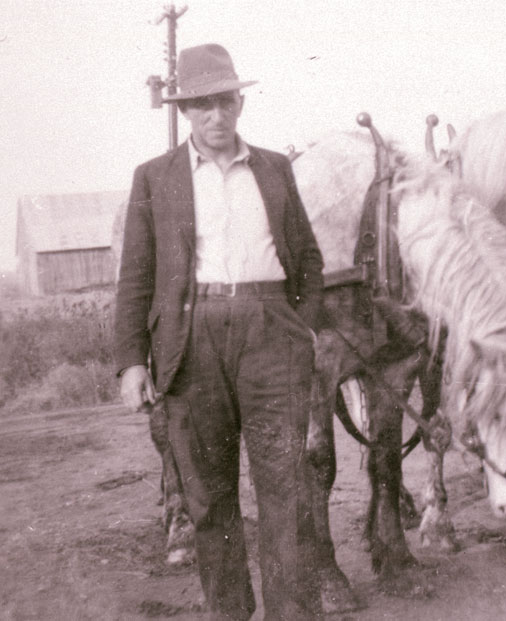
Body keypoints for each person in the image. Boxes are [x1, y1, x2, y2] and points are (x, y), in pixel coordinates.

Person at [114, 43, 325, 620]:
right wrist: (132, 360)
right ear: (185, 111)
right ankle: (231, 613)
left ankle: (292, 614)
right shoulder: (155, 179)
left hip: (271, 334)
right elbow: (136, 276)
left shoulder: (275, 168)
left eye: (225, 101)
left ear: (240, 103)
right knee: (209, 499)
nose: (216, 116)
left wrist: (296, 326)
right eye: (202, 105)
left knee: (286, 488)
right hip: (191, 340)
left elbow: (306, 257)